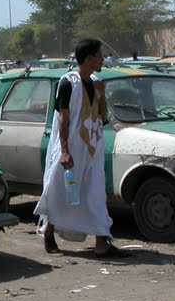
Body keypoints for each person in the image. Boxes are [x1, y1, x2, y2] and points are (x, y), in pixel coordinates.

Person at [35, 38, 124, 257]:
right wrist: (64, 151)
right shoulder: (68, 83)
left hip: (92, 150)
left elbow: (101, 117)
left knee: (95, 193)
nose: (103, 59)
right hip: (72, 150)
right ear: (90, 58)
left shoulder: (95, 82)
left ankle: (102, 243)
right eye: (100, 55)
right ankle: (49, 230)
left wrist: (101, 94)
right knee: (61, 193)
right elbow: (63, 119)